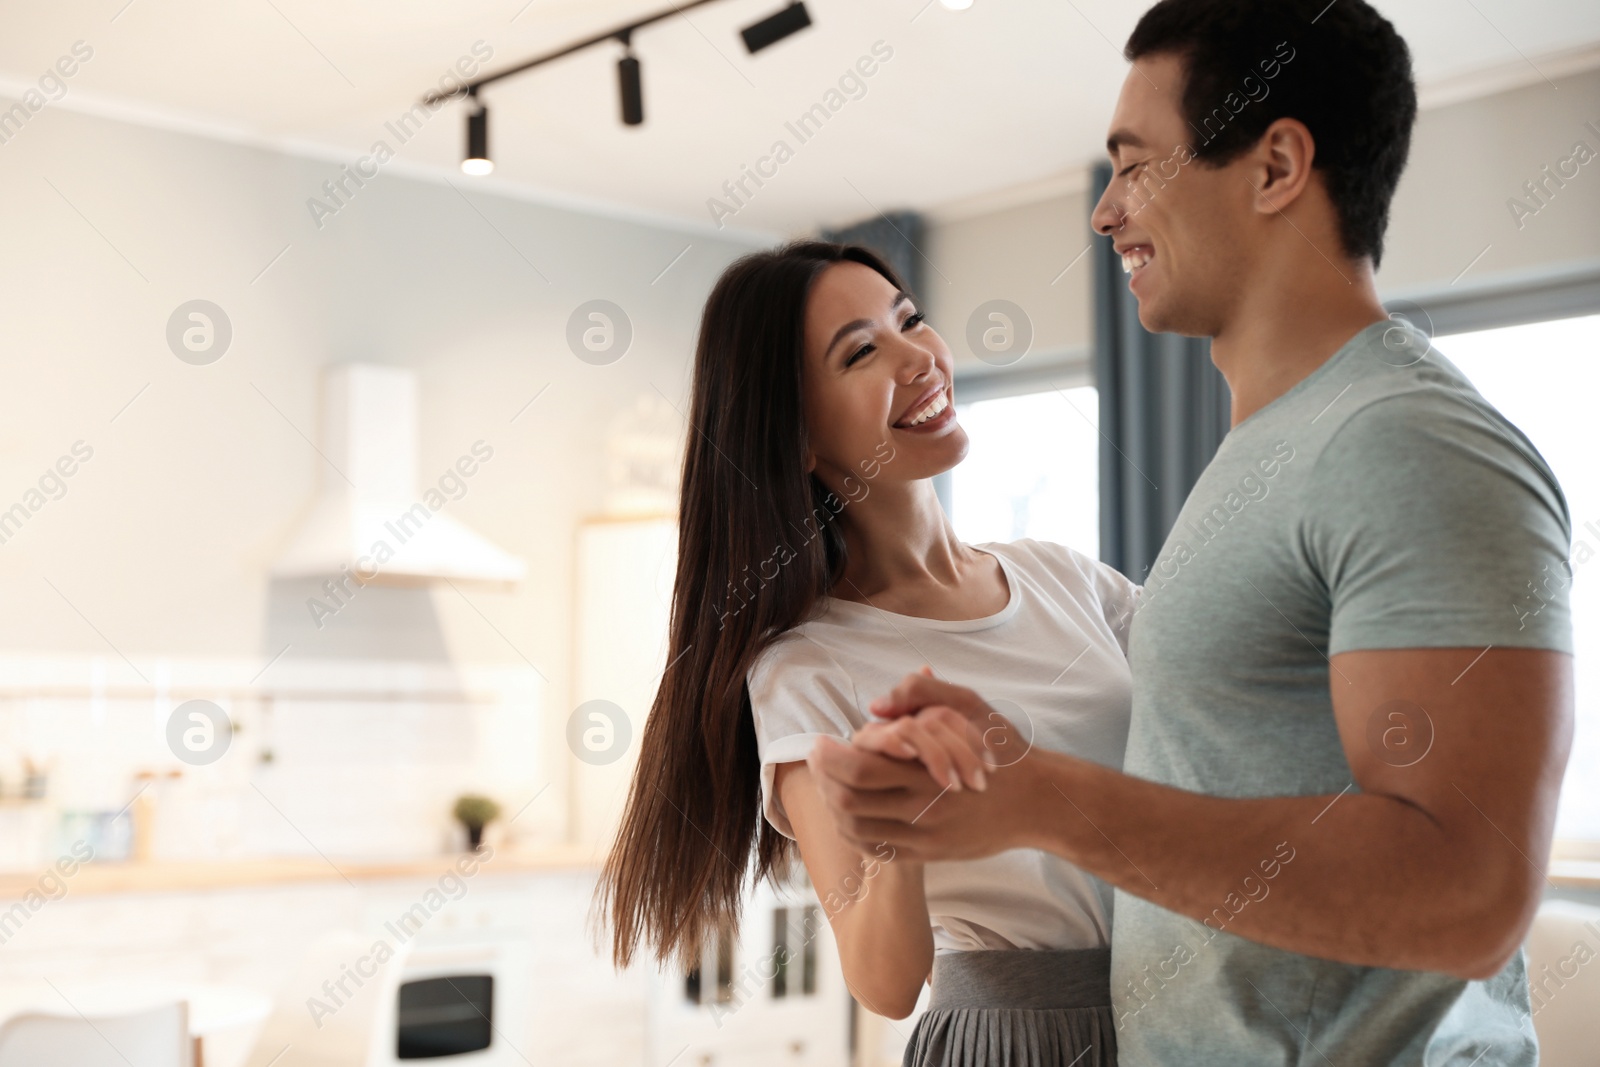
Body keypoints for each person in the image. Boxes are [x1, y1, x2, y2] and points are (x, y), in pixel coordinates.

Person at [806, 1, 1575, 1064]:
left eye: (1134, 166)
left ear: (1274, 168)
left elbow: (1465, 892)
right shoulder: (1265, 451)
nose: (1104, 211)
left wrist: (1045, 799)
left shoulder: (1409, 441)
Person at [596, 240, 1139, 1066]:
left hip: (1180, 1010)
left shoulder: (1065, 577)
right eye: (862, 352)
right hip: (1020, 1038)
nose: (919, 357)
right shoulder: (806, 667)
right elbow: (884, 981)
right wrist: (901, 822)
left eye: (910, 319)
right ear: (801, 437)